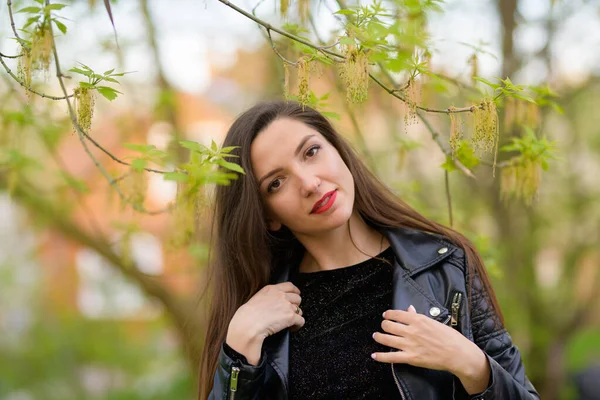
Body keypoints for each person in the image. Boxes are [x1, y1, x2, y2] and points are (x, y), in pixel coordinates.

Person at [198, 100, 539, 400]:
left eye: (311, 152)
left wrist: (472, 365)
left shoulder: (445, 266)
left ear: (338, 150)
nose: (310, 183)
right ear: (268, 216)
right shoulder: (263, 315)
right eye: (277, 182)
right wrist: (239, 349)